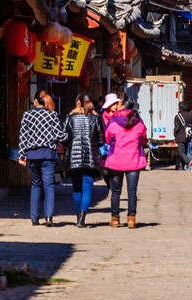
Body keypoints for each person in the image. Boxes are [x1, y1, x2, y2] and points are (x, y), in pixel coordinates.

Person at [17, 90, 66, 226]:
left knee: (35, 185)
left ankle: (34, 218)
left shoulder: (27, 115)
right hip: (48, 155)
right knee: (48, 185)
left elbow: (23, 137)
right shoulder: (52, 115)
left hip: (33, 155)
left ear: (35, 101)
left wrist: (22, 156)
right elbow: (59, 135)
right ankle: (49, 217)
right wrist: (68, 136)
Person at [105, 99, 148, 228]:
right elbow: (143, 140)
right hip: (134, 160)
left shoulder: (113, 122)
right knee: (132, 191)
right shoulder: (139, 123)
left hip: (116, 161)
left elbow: (107, 139)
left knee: (116, 191)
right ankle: (131, 219)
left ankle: (115, 219)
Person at [64, 93, 103, 227]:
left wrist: (70, 145)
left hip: (73, 159)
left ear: (78, 103)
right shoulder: (96, 118)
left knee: (77, 190)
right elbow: (101, 140)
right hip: (90, 159)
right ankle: (82, 218)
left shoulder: (70, 118)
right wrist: (93, 145)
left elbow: (64, 138)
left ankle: (78, 217)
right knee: (87, 189)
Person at [174, 102, 192, 170]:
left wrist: (175, 135)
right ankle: (181, 167)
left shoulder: (177, 116)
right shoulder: (190, 116)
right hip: (188, 136)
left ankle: (189, 162)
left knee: (181, 152)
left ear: (180, 107)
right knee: (185, 152)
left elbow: (177, 128)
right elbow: (191, 125)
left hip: (180, 136)